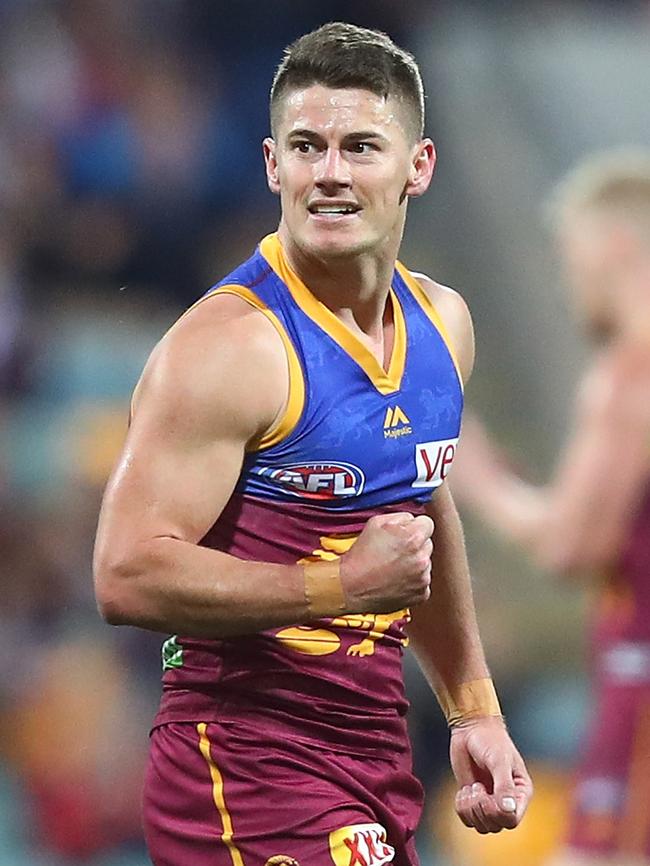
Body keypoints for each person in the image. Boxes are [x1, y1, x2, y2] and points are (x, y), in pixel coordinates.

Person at [93, 22, 532, 866]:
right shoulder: (229, 348)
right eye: (307, 146)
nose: (330, 173)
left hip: (374, 760)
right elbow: (123, 571)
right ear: (271, 165)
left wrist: (475, 709)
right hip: (241, 761)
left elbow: (421, 514)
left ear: (419, 166)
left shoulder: (445, 326)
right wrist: (342, 582)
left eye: (362, 146)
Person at [450, 149, 650, 866]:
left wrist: (476, 478)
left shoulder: (631, 373)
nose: (569, 282)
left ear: (614, 247)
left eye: (572, 255)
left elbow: (572, 546)